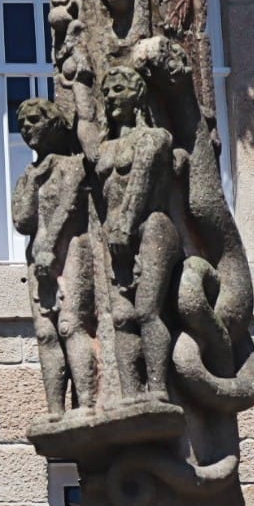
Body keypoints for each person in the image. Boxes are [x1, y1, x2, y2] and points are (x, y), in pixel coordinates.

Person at [95, 67, 180, 399]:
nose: (112, 96)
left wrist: (126, 226)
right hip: (115, 236)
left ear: (139, 94)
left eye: (119, 88)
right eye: (108, 91)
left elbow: (141, 182)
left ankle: (158, 388)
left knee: (146, 310)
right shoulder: (106, 148)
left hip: (151, 229)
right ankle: (131, 394)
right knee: (121, 317)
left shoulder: (154, 138)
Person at [12, 99, 97, 416]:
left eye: (34, 120)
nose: (26, 128)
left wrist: (48, 246)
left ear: (54, 123)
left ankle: (87, 403)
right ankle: (55, 410)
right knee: (46, 333)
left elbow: (68, 208)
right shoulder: (30, 174)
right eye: (21, 124)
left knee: (70, 325)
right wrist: (32, 182)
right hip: (38, 256)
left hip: (71, 247)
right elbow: (21, 221)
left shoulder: (72, 165)